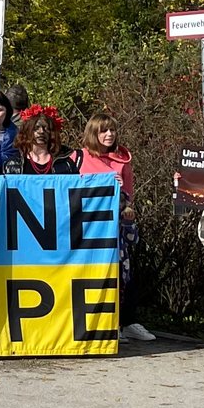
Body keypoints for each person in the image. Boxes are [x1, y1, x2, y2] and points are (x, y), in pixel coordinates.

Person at [78, 112, 151, 342]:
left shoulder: (123, 161)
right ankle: (101, 323)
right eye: (104, 131)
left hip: (116, 228)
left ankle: (123, 323)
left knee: (122, 275)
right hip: (89, 228)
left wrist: (126, 204)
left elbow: (130, 198)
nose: (109, 135)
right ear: (93, 133)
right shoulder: (78, 157)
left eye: (112, 130)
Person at [6, 105, 78, 175]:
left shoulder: (65, 162)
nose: (41, 131)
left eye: (46, 128)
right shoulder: (14, 163)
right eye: (36, 128)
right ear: (28, 130)